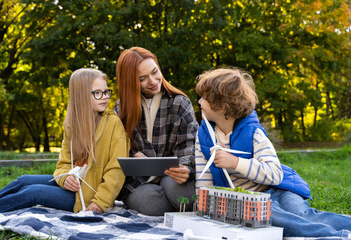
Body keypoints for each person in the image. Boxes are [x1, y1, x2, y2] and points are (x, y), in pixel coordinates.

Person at [195, 68, 351, 238]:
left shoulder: (254, 133)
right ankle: (336, 235)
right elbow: (204, 182)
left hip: (278, 189)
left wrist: (235, 163)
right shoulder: (203, 136)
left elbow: (275, 174)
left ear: (222, 107)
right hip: (251, 202)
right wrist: (205, 208)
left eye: (204, 98)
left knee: (302, 215)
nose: (199, 102)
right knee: (273, 218)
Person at [0, 68, 128, 213]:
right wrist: (66, 178)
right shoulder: (73, 125)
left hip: (89, 196)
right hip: (76, 185)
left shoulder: (113, 123)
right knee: (23, 180)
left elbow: (116, 169)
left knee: (33, 192)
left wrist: (101, 202)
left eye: (106, 92)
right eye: (98, 93)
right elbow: (63, 164)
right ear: (81, 96)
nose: (105, 97)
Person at [114, 47, 199, 216]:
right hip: (139, 182)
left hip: (173, 177)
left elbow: (190, 144)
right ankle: (173, 206)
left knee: (182, 194)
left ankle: (174, 200)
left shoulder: (180, 103)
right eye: (142, 79)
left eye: (155, 72)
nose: (153, 81)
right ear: (129, 81)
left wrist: (186, 168)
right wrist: (133, 156)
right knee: (153, 204)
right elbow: (115, 150)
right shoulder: (121, 109)